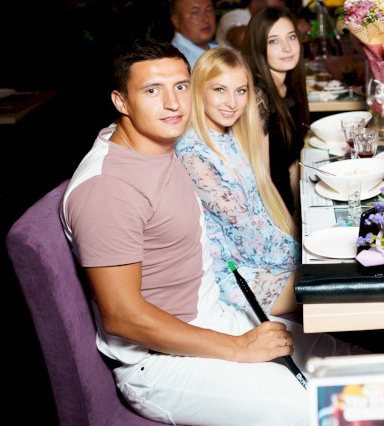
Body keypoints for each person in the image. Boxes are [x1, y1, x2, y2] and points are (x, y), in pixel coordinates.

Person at [60, 40, 311, 424]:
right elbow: (122, 316)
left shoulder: (164, 144)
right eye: (151, 90)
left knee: (355, 366)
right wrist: (238, 347)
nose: (173, 103)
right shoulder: (108, 188)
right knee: (323, 407)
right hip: (160, 363)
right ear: (121, 101)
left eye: (180, 86)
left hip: (215, 318)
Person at [175, 47, 300, 317]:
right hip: (235, 276)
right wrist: (304, 255)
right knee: (334, 289)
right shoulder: (193, 152)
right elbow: (245, 232)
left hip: (262, 258)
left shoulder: (231, 133)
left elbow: (260, 205)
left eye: (240, 91)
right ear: (199, 91)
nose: (232, 102)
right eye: (220, 90)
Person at [242, 6, 309, 217]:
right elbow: (262, 176)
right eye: (273, 41)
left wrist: (299, 214)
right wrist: (289, 224)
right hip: (267, 211)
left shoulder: (289, 87)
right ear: (258, 47)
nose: (287, 48)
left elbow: (292, 162)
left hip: (286, 202)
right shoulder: (258, 95)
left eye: (291, 37)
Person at [215, 0, 286, 49]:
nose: (277, 15)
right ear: (255, 3)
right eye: (272, 11)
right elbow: (240, 38)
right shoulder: (231, 16)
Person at [170, 0, 218, 67]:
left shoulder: (217, 49)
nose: (205, 19)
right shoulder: (178, 63)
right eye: (195, 13)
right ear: (176, 21)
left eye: (208, 10)